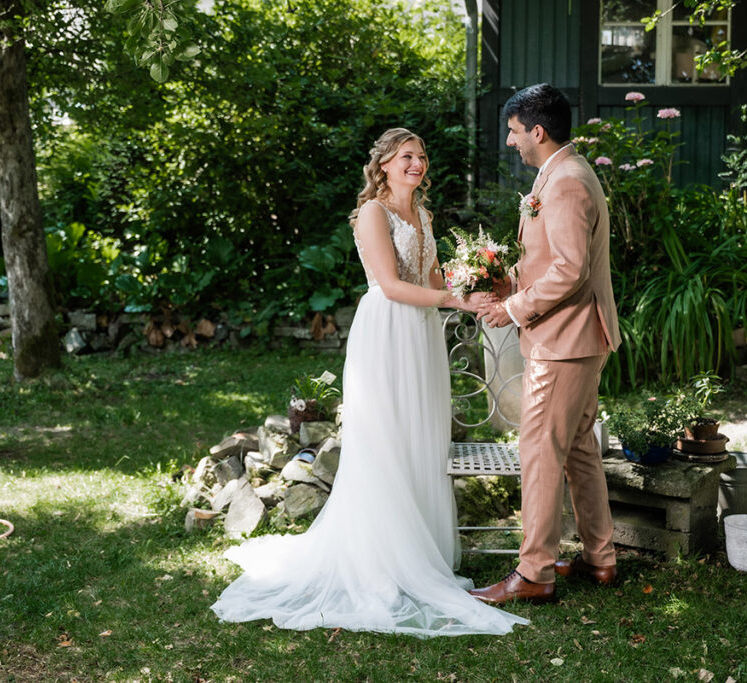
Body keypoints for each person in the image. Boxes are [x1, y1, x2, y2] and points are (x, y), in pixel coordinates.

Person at [211, 128, 527, 637]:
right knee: (385, 440)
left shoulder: (422, 214)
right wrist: (455, 301)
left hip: (421, 336)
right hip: (386, 332)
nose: (417, 164)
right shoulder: (372, 214)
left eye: (421, 157)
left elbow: (430, 282)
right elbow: (393, 284)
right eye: (406, 156)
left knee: (419, 437)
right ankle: (381, 561)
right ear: (383, 164)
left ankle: (419, 551)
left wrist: (476, 286)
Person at [471, 84, 622, 605]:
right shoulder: (560, 173)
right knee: (579, 447)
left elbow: (570, 268)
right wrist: (506, 280)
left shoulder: (567, 182)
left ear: (537, 130)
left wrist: (513, 309)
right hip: (575, 338)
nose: (510, 141)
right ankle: (600, 557)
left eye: (513, 132)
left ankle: (534, 571)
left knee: (539, 450)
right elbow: (549, 258)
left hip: (564, 342)